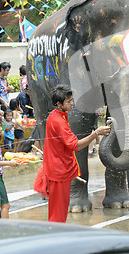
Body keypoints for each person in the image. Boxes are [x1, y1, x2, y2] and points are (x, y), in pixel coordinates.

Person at [43, 84, 111, 222]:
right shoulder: (58, 121)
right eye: (68, 101)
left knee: (58, 209)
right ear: (59, 104)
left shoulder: (56, 116)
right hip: (59, 171)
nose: (72, 104)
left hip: (57, 169)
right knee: (58, 212)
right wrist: (95, 133)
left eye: (72, 100)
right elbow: (75, 145)